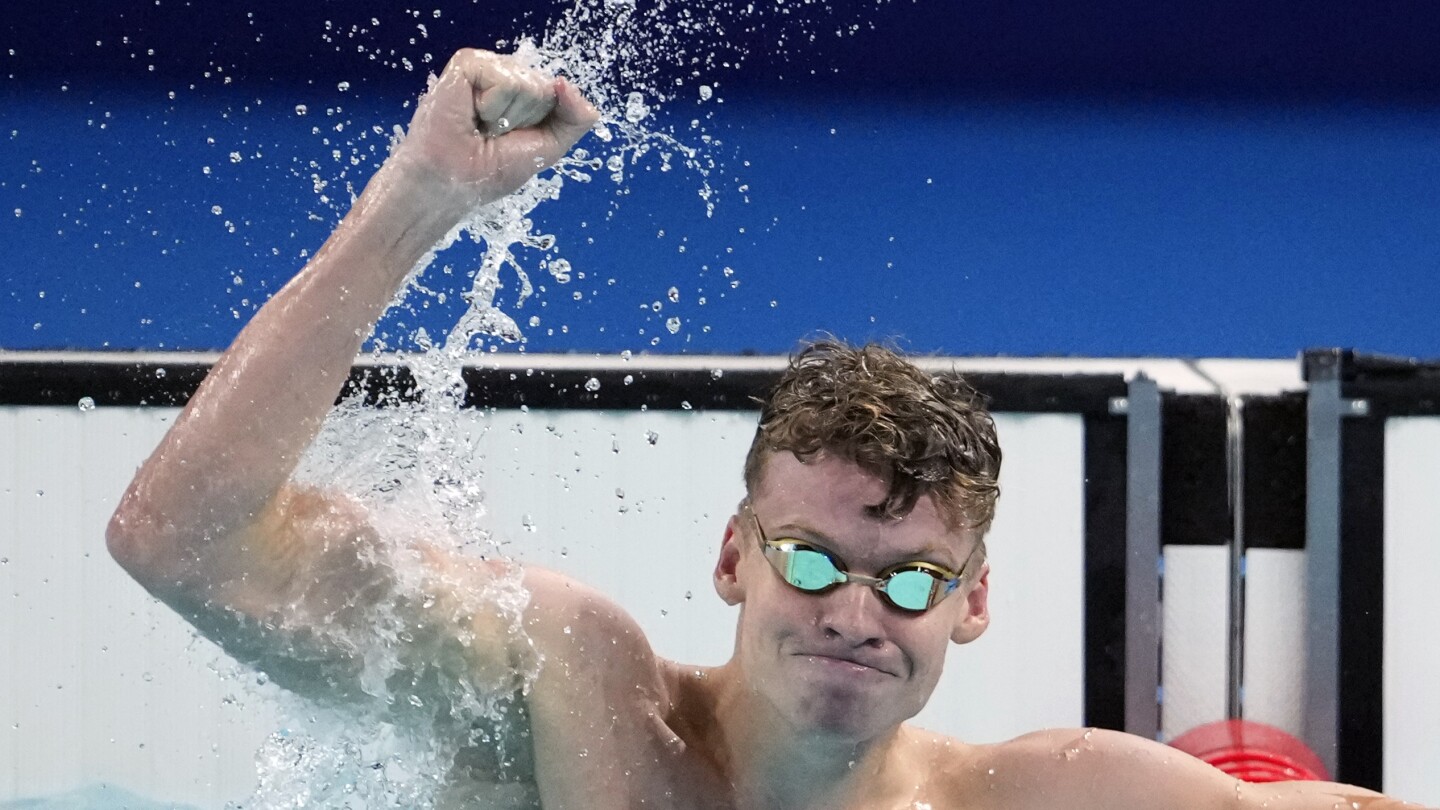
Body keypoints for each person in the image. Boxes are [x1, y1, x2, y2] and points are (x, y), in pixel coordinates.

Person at [108, 49, 1427, 809]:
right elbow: (179, 540)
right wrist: (416, 200)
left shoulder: (1031, 797)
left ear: (971, 605)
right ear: (734, 554)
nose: (857, 610)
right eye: (810, 558)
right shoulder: (577, 693)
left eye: (910, 578)